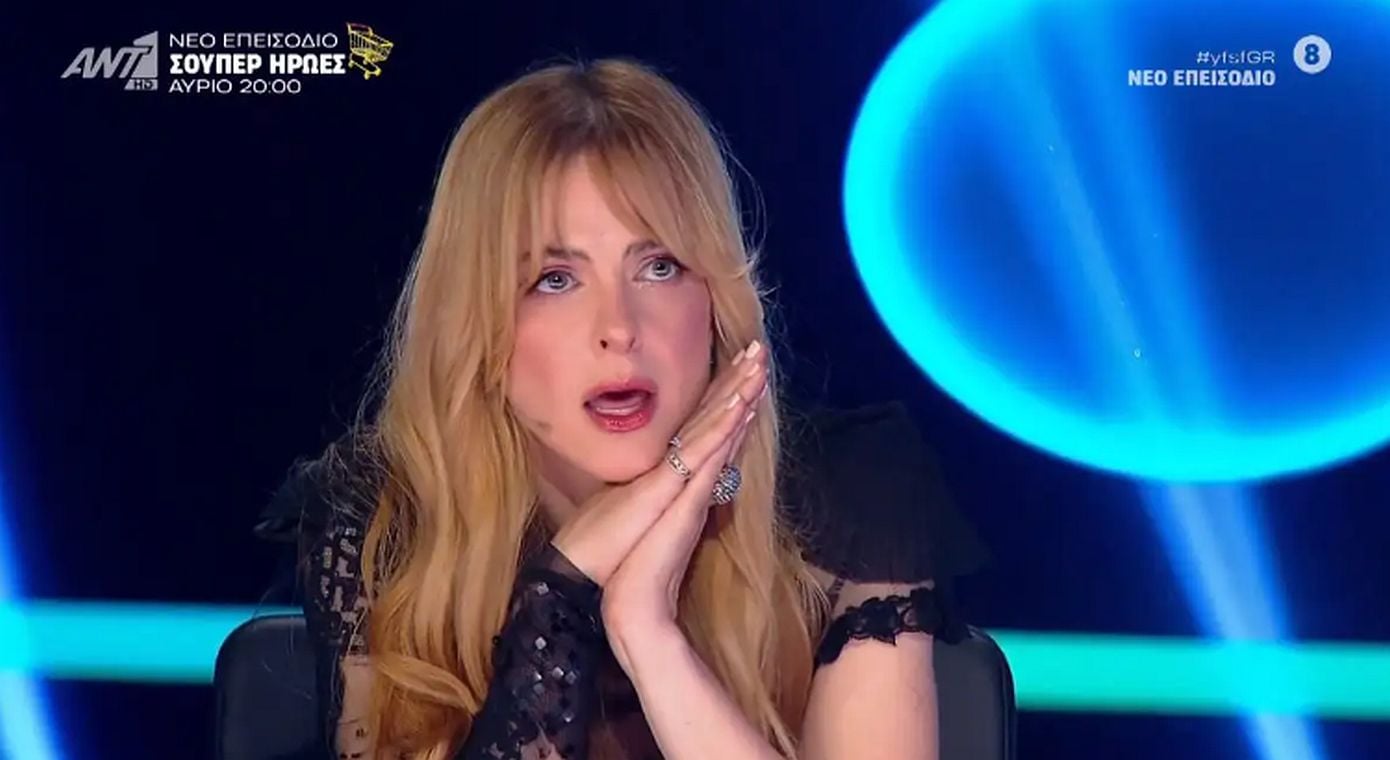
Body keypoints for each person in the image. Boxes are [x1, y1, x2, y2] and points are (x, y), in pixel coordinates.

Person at [262, 57, 986, 760]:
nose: (619, 327)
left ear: (717, 304)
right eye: (554, 279)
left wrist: (646, 631)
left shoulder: (852, 495)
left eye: (659, 267)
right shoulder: (384, 516)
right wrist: (560, 592)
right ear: (476, 323)